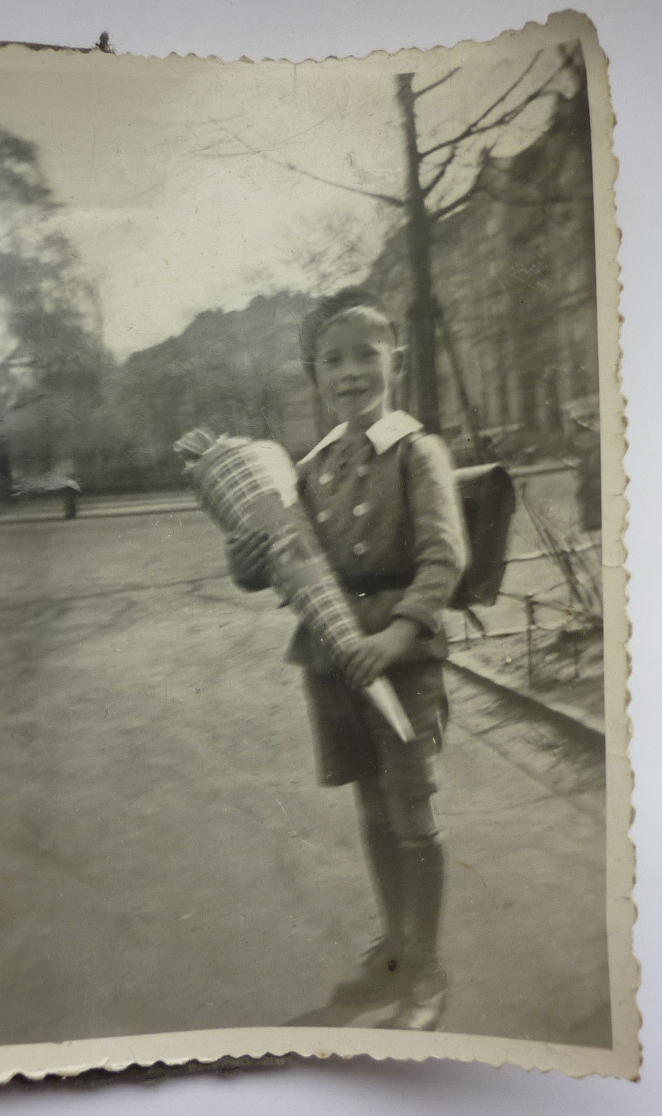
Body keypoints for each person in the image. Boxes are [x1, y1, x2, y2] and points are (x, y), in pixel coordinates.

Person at [227, 287, 468, 1030]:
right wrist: (246, 545)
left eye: (366, 354)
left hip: (398, 657)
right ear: (316, 376)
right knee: (371, 805)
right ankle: (396, 948)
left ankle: (426, 970)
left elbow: (444, 558)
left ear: (396, 362)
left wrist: (396, 637)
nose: (351, 371)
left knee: (410, 804)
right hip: (334, 659)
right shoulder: (313, 467)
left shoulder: (417, 451)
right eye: (333, 360)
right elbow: (269, 565)